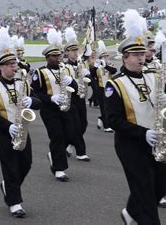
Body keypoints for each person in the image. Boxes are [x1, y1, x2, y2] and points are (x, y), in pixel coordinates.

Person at [104, 9, 166, 224]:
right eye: (136, 55)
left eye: (143, 54)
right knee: (144, 191)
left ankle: (131, 212)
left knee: (158, 187)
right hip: (131, 144)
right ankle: (142, 216)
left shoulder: (154, 76)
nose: (142, 58)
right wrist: (143, 133)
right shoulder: (114, 84)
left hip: (157, 141)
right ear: (125, 57)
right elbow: (112, 120)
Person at [0, 27, 41, 217]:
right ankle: (15, 203)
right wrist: (9, 127)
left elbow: (38, 102)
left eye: (14, 63)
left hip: (23, 131)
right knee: (10, 167)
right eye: (9, 64)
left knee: (27, 164)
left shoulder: (23, 83)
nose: (13, 67)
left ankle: (8, 187)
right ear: (0, 67)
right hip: (4, 132)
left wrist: (31, 101)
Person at [31, 28, 77, 181]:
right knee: (57, 137)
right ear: (47, 57)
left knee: (70, 135)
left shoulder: (66, 69)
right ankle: (59, 169)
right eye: (54, 56)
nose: (58, 58)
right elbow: (36, 93)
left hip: (66, 107)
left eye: (59, 55)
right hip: (49, 110)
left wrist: (73, 82)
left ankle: (54, 154)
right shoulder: (40, 72)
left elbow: (75, 88)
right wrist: (50, 98)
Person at [63, 27, 90, 161]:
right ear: (67, 53)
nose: (75, 53)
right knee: (76, 125)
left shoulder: (80, 65)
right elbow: (66, 83)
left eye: (76, 50)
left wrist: (86, 75)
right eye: (72, 51)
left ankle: (68, 145)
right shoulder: (64, 67)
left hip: (81, 97)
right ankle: (81, 152)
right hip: (71, 98)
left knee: (83, 124)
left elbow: (87, 81)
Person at [94, 40, 117, 132]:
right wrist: (95, 67)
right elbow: (92, 75)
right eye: (104, 56)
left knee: (110, 106)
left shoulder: (110, 65)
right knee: (103, 106)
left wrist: (106, 66)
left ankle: (101, 118)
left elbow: (114, 70)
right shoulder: (98, 67)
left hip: (109, 88)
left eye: (107, 56)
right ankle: (106, 126)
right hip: (100, 88)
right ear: (101, 58)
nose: (106, 58)